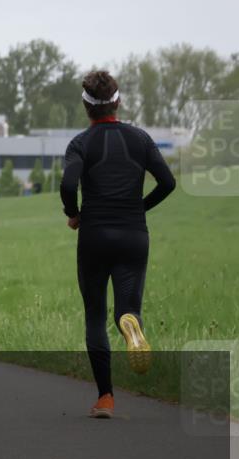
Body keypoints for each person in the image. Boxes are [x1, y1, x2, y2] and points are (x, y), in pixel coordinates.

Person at [60, 71, 176, 419]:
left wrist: (74, 213)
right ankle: (130, 322)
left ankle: (106, 397)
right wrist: (139, 206)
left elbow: (68, 184)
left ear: (86, 107)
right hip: (133, 235)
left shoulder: (81, 143)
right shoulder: (140, 139)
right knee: (127, 307)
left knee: (95, 316)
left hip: (94, 235)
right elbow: (167, 182)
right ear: (118, 102)